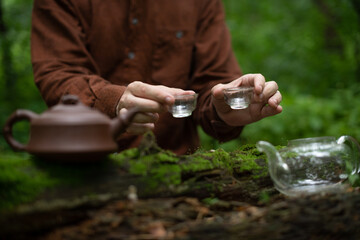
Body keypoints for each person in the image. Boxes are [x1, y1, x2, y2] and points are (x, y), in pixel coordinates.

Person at [31, 0, 282, 155]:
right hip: (81, 166)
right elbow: (58, 73)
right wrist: (114, 102)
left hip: (178, 173)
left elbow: (212, 86)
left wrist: (223, 109)